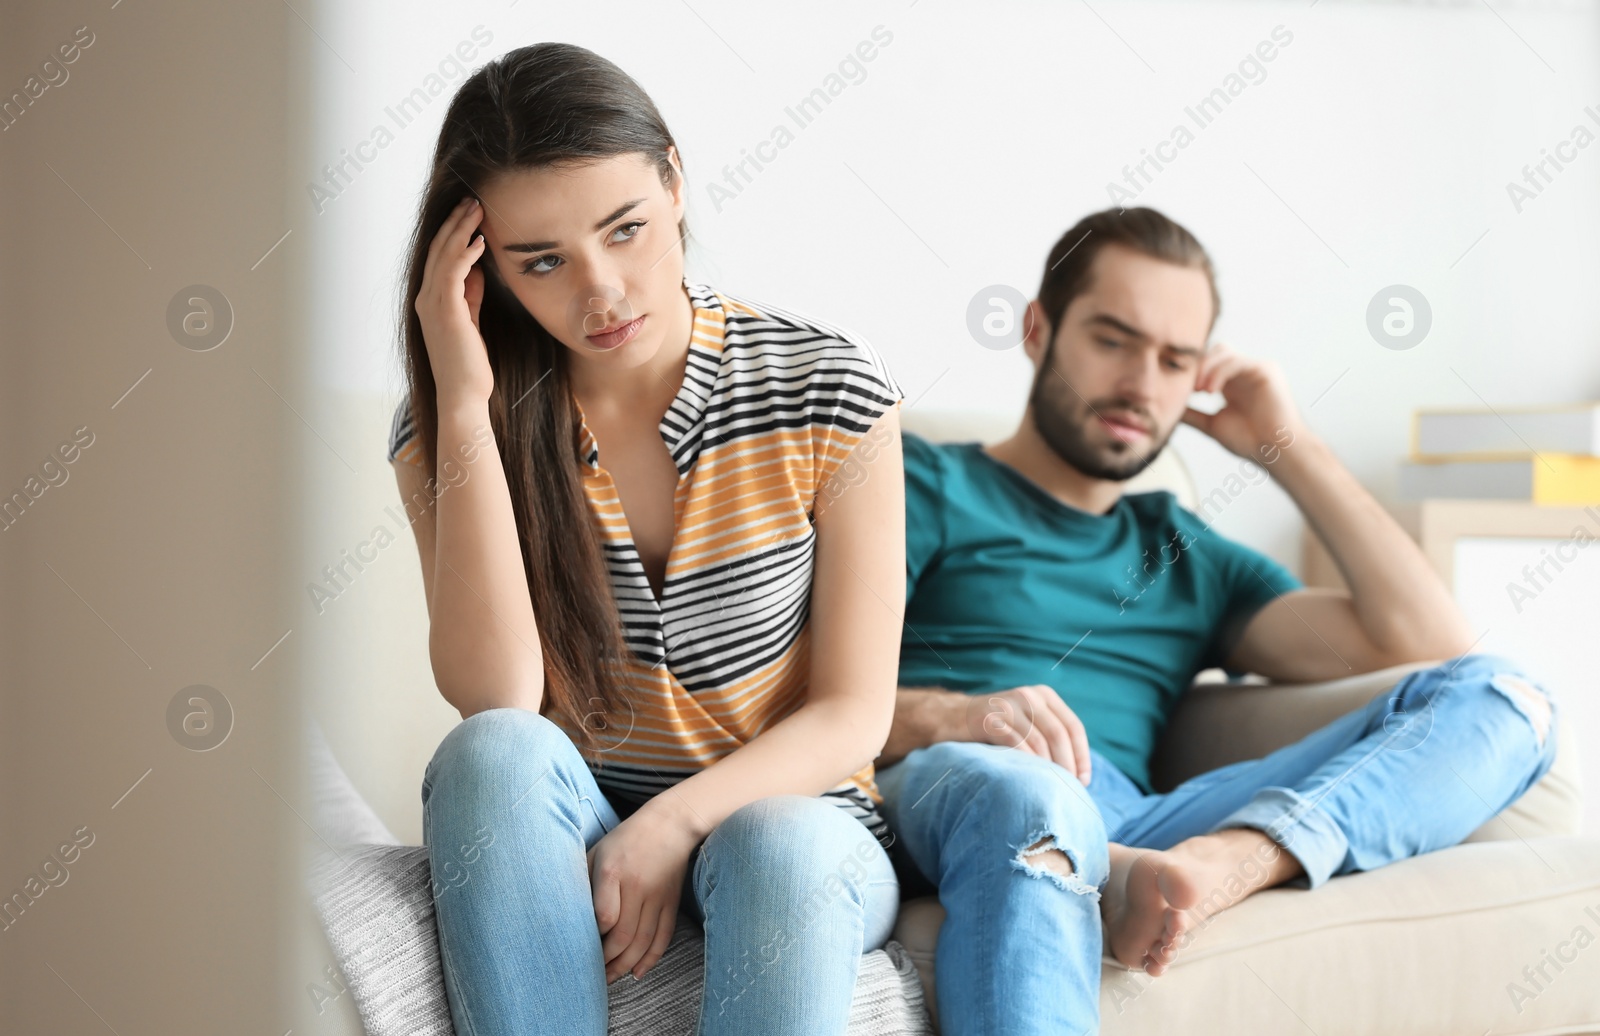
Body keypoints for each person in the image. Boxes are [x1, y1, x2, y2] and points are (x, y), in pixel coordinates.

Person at [873, 206, 1560, 1035]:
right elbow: (778, 692)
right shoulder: (915, 483)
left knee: (1511, 700)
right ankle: (1102, 863)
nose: (1142, 384)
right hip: (957, 783)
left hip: (1135, 816)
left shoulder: (1183, 550)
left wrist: (1285, 444)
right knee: (1025, 792)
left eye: (1175, 360)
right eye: (1113, 340)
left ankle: (1239, 858)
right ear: (1037, 329)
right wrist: (961, 714)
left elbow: (1427, 644)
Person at [386, 42, 907, 1036]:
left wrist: (673, 824)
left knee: (774, 845)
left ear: (674, 180)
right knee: (489, 753)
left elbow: (852, 715)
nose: (603, 292)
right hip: (581, 821)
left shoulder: (828, 390)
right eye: (541, 261)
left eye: (625, 230)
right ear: (478, 269)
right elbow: (497, 698)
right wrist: (461, 406)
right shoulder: (451, 426)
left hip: (803, 823)